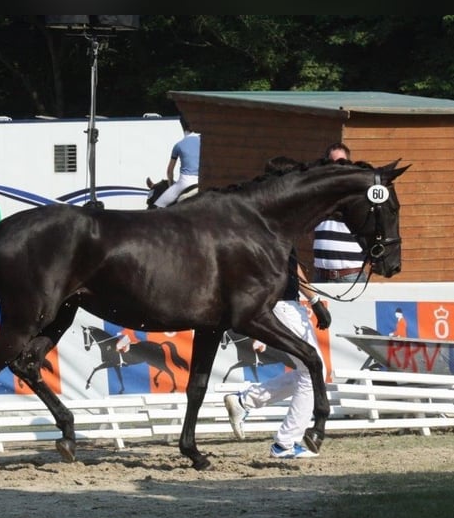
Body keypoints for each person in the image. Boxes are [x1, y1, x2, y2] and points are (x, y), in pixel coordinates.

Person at [223, 248, 331, 459]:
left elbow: (292, 265)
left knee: (308, 372)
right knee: (313, 372)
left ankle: (245, 401)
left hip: (286, 304)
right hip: (283, 306)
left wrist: (315, 300)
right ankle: (285, 443)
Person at [312, 142, 366, 283]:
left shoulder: (357, 193)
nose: (338, 166)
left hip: (350, 276)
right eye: (333, 162)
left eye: (342, 162)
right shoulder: (317, 193)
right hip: (320, 276)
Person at [152, 115, 200, 208]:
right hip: (201, 182)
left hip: (185, 182)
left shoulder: (178, 145)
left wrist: (171, 185)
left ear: (182, 126)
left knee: (158, 206)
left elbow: (170, 171)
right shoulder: (203, 141)